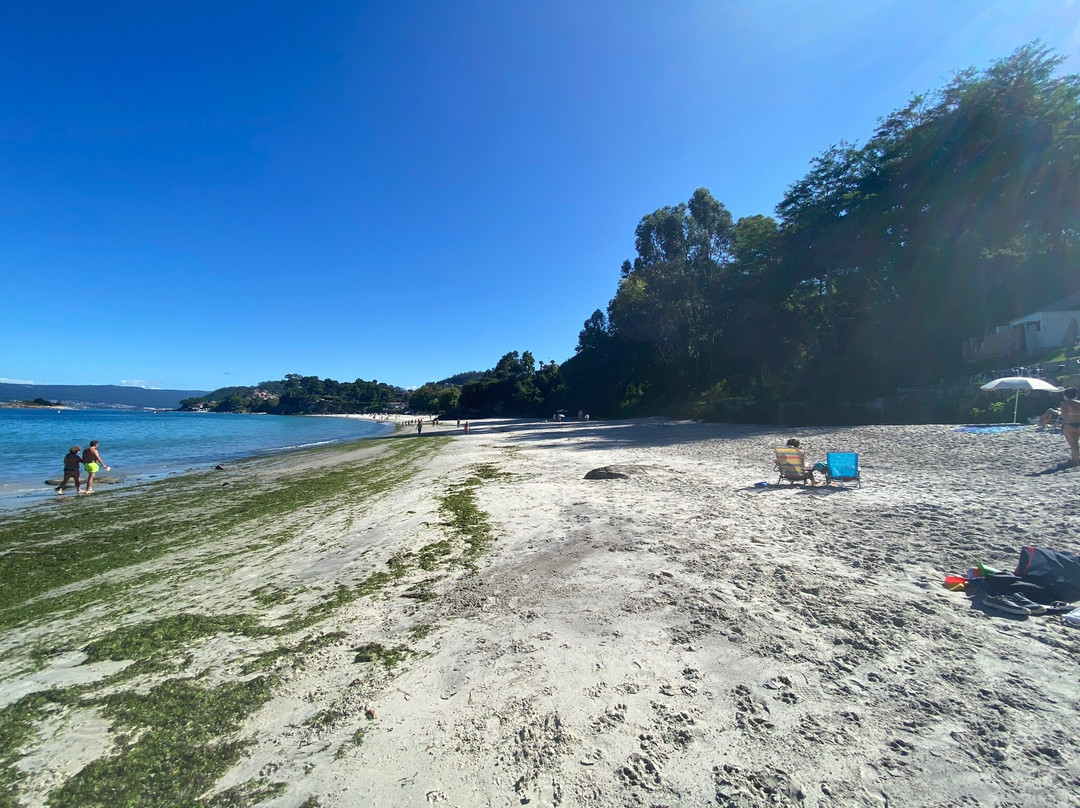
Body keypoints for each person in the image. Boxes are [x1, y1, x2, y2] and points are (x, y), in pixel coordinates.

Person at [1060, 388, 1080, 466]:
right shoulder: (1079, 403)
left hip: (1069, 426)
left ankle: (1076, 461)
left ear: (1066, 396)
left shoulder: (1065, 404)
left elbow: (1063, 415)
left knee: (1073, 445)